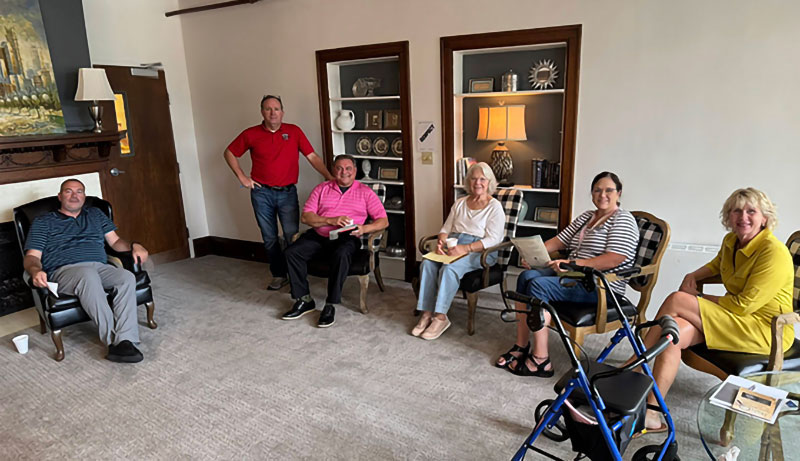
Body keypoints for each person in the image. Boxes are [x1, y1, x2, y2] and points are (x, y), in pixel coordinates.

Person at [639, 188, 794, 433]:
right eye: (737, 211)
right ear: (728, 216)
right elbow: (717, 266)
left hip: (763, 329)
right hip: (734, 319)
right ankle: (652, 413)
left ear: (764, 218)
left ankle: (636, 365)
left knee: (678, 300)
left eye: (751, 211)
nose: (743, 217)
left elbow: (744, 305)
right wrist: (693, 275)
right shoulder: (731, 241)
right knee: (673, 333)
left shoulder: (773, 253)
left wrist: (698, 297)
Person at [496, 171, 639, 376]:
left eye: (609, 190)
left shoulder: (623, 219)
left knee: (537, 286)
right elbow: (559, 241)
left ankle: (541, 360)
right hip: (573, 277)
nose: (602, 195)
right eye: (597, 190)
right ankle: (521, 346)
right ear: (591, 194)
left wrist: (573, 264)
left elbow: (615, 258)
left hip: (599, 287)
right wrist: (533, 254)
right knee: (525, 277)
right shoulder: (587, 217)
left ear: (619, 193)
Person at [22, 179, 150, 363]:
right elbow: (32, 257)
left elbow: (115, 242)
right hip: (65, 271)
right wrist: (35, 271)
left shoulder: (95, 214)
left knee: (126, 277)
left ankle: (126, 339)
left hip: (99, 266)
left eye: (79, 191)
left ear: (84, 196)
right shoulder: (44, 222)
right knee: (87, 275)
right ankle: (114, 342)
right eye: (68, 191)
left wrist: (135, 245)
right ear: (60, 196)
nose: (74, 195)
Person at [224, 95, 334, 291]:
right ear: (262, 112)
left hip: (287, 193)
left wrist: (328, 176)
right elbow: (230, 152)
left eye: (276, 109)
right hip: (261, 194)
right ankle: (278, 274)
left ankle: (295, 276)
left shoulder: (294, 131)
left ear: (282, 112)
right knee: (269, 237)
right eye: (268, 109)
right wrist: (242, 177)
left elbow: (312, 156)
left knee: (292, 235)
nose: (273, 112)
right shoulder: (251, 134)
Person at [282, 155, 388, 328]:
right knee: (291, 252)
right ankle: (304, 299)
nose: (343, 172)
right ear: (333, 170)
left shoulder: (365, 192)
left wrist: (363, 229)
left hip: (347, 237)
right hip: (319, 235)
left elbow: (383, 221)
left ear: (355, 171)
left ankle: (330, 304)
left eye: (348, 168)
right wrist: (330, 220)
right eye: (339, 168)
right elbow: (306, 217)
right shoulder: (321, 189)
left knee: (342, 253)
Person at [411, 162, 505, 341]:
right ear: (468, 181)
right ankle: (426, 312)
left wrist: (466, 248)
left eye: (482, 179)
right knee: (428, 263)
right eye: (473, 179)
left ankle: (440, 317)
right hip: (455, 243)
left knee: (450, 268)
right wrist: (441, 242)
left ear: (489, 182)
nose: (477, 183)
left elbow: (494, 239)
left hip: (481, 251)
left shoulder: (494, 207)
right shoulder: (460, 202)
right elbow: (446, 228)